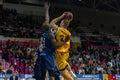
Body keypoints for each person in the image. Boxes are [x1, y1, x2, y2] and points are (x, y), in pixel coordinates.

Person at [34, 2, 70, 80]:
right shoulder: (50, 34)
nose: (50, 24)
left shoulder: (44, 32)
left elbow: (47, 18)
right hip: (48, 54)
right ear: (49, 27)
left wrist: (46, 9)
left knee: (43, 74)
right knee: (51, 74)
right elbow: (55, 45)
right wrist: (64, 41)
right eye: (49, 24)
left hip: (42, 54)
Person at [50, 12, 77, 80]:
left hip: (59, 53)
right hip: (66, 53)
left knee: (63, 73)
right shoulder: (69, 33)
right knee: (65, 63)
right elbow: (66, 24)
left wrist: (61, 16)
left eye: (61, 22)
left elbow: (51, 23)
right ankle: (71, 73)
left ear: (62, 24)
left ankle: (72, 78)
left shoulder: (58, 29)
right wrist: (68, 20)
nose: (60, 23)